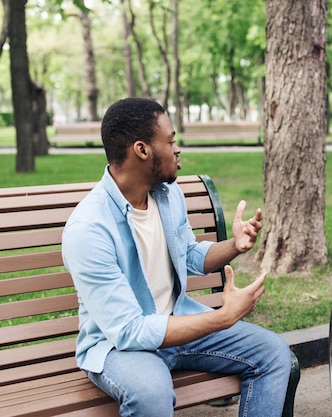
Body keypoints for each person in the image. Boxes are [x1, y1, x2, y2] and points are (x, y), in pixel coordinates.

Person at [62, 97, 291, 417]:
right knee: (152, 393)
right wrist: (222, 317)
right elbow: (129, 331)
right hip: (118, 347)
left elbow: (188, 255)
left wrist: (234, 246)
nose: (178, 148)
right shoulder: (88, 229)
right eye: (170, 141)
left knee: (274, 354)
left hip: (177, 322)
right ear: (142, 150)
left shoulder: (167, 194)